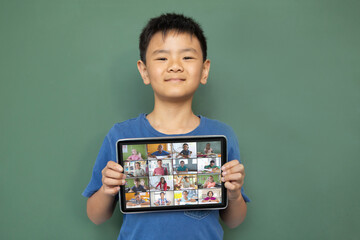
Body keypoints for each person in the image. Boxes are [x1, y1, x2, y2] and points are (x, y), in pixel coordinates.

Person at [83, 13, 250, 240]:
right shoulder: (120, 135)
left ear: (204, 70)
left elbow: (234, 220)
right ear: (144, 71)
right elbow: (96, 216)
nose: (174, 66)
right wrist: (106, 189)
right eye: (162, 58)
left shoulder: (222, 136)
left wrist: (235, 195)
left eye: (187, 58)